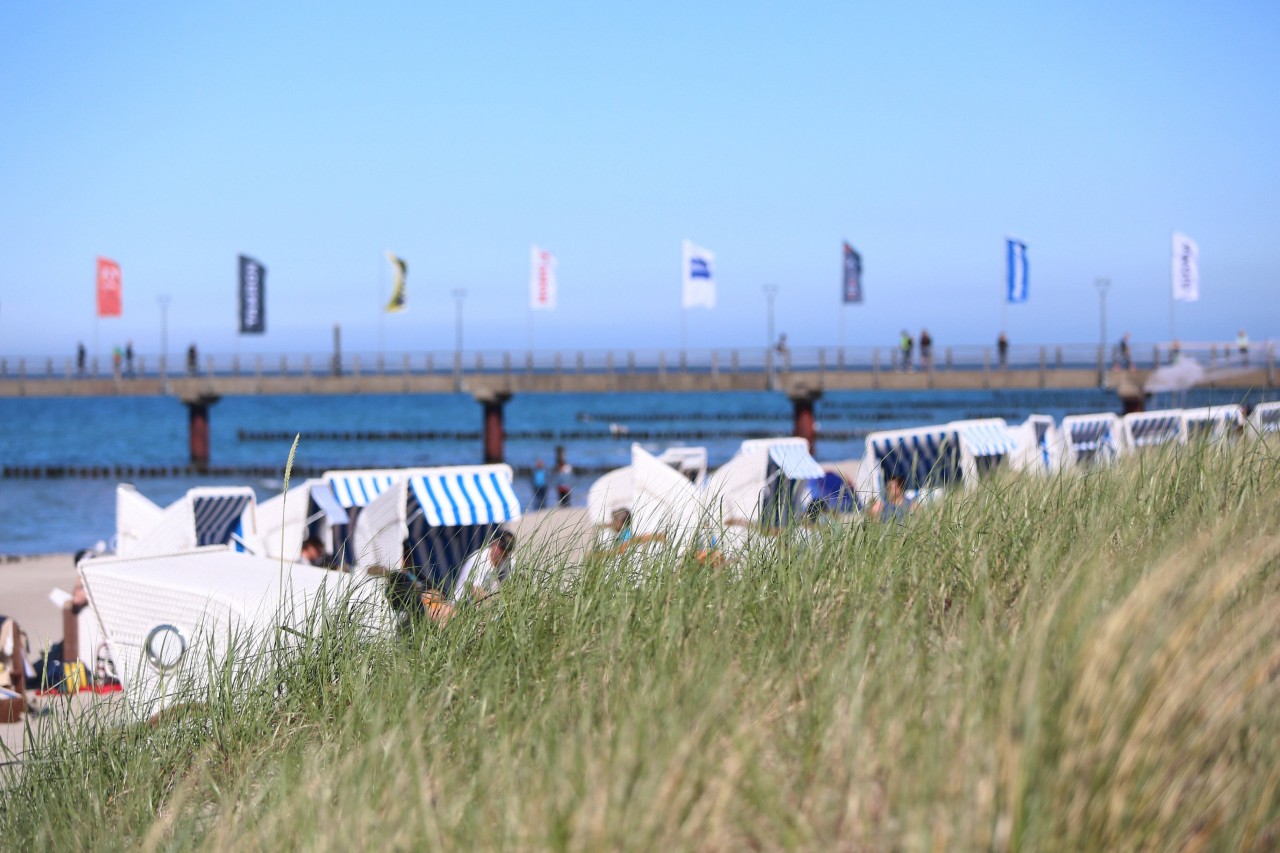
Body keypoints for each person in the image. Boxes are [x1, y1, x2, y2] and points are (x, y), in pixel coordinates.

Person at [450, 531, 516, 605]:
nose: (504, 553)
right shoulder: (478, 559)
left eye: (508, 550)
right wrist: (494, 604)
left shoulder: (509, 562)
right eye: (502, 548)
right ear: (494, 543)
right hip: (462, 605)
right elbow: (475, 591)